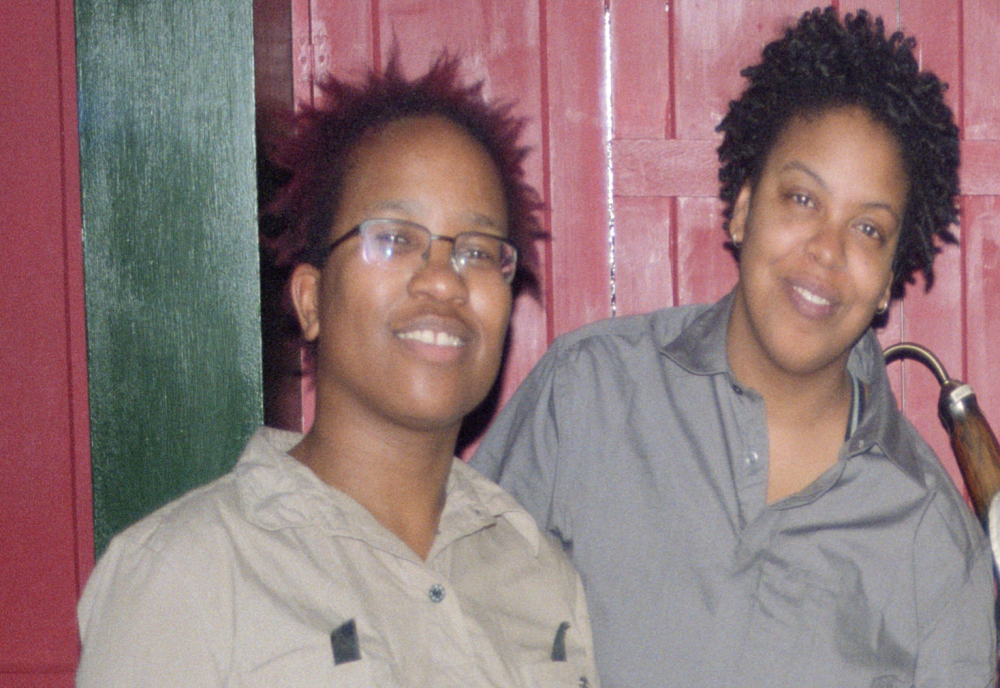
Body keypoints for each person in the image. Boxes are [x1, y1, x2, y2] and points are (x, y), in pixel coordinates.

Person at [472, 7, 997, 687]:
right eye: (802, 199)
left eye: (867, 230)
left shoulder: (933, 543)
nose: (826, 251)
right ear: (743, 207)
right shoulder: (587, 398)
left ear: (889, 278)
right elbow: (452, 627)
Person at [77, 53, 599, 688]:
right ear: (309, 299)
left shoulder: (537, 573)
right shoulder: (191, 572)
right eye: (395, 238)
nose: (442, 279)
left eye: (477, 251)